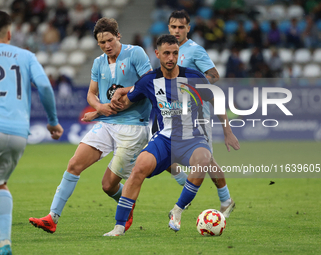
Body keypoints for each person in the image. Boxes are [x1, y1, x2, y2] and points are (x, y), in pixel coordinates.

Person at [103, 34, 240, 236]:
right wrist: (101, 109)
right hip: (164, 139)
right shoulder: (149, 81)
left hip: (193, 138)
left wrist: (228, 131)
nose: (171, 58)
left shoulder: (194, 77)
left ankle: (177, 210)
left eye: (175, 53)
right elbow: (126, 101)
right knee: (139, 167)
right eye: (166, 53)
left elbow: (216, 100)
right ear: (157, 54)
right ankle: (119, 226)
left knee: (203, 160)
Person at [28, 17, 153, 234]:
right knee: (74, 163)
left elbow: (149, 83)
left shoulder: (136, 53)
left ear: (118, 36)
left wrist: (110, 104)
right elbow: (91, 94)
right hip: (106, 123)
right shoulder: (98, 63)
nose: (107, 45)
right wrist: (100, 108)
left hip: (133, 126)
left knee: (107, 186)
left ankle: (126, 202)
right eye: (102, 42)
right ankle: (52, 218)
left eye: (110, 40)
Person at [0, 10, 63, 255]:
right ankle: (4, 243)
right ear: (9, 33)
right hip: (18, 134)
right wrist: (52, 121)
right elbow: (46, 87)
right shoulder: (26, 56)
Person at [167, 10, 236, 216]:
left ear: (188, 28)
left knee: (206, 160)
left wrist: (193, 86)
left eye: (181, 27)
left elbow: (214, 75)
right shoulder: (168, 50)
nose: (177, 30)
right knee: (161, 153)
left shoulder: (195, 50)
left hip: (198, 115)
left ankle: (225, 200)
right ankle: (186, 186)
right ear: (168, 28)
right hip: (175, 113)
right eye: (173, 26)